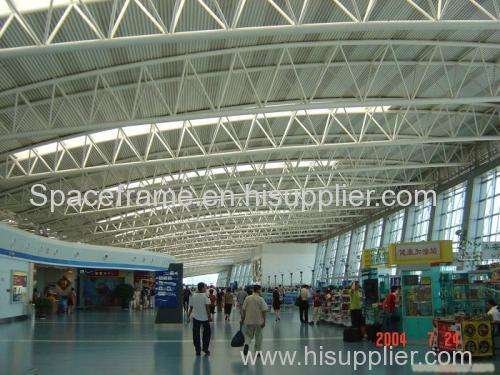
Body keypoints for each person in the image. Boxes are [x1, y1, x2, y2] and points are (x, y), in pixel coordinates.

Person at [241, 285, 268, 356]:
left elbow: (243, 309)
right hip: (258, 320)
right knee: (258, 336)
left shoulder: (247, 298)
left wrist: (242, 319)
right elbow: (264, 310)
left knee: (248, 335)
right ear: (259, 290)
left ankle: (246, 344)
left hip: (249, 320)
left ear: (253, 290)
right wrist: (264, 321)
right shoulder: (260, 299)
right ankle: (257, 351)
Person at [187, 282, 212, 356]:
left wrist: (188, 316)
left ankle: (197, 350)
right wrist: (209, 316)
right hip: (205, 318)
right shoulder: (205, 296)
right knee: (207, 333)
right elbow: (207, 307)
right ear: (202, 288)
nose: (206, 288)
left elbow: (191, 307)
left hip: (196, 318)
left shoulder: (193, 296)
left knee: (196, 334)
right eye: (205, 287)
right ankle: (205, 348)